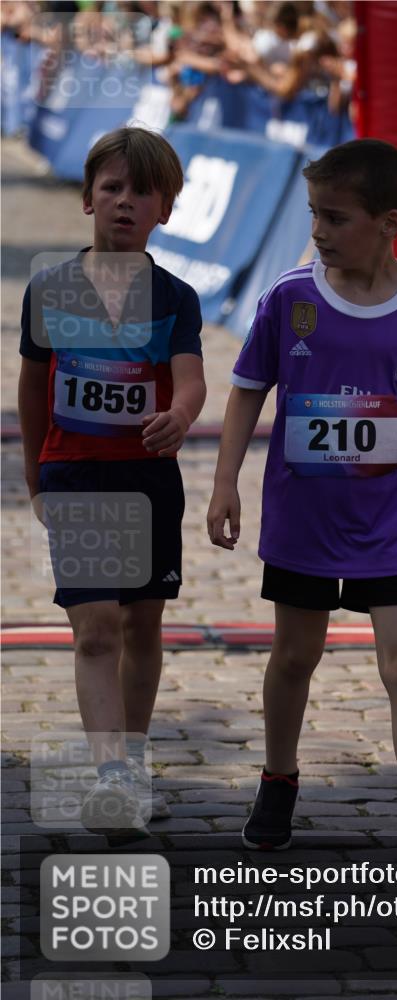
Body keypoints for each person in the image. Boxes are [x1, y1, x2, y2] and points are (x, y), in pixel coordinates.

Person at [207, 138, 397, 892]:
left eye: (333, 218)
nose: (316, 230)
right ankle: (278, 777)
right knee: (294, 657)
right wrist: (225, 483)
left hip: (393, 520)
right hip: (304, 515)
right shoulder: (289, 296)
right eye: (313, 213)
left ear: (387, 222)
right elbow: (249, 386)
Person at [19, 126, 206, 831]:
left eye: (143, 191)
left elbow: (190, 380)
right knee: (96, 628)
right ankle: (114, 773)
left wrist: (180, 415)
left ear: (166, 208)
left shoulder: (175, 298)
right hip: (75, 476)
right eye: (113, 188)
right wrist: (36, 476)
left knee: (141, 626)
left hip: (149, 481)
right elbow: (33, 390)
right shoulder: (51, 289)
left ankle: (133, 751)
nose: (126, 202)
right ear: (88, 199)